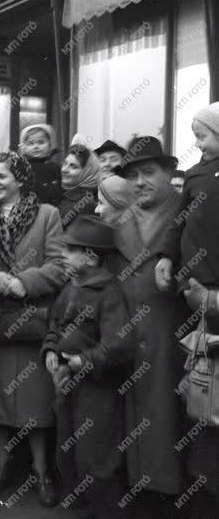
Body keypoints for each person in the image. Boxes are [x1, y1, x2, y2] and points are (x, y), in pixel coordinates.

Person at [106, 136, 187, 518]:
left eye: (149, 172)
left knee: (172, 414)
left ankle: (170, 491)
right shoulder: (118, 221)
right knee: (132, 413)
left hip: (175, 338)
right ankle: (139, 486)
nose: (139, 182)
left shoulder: (188, 214)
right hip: (126, 339)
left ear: (170, 173)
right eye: (133, 175)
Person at [0, 151, 65, 508]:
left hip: (33, 322)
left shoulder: (48, 215)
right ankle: (0, 467)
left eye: (2, 176)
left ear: (20, 179)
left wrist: (23, 283)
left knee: (37, 404)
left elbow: (60, 265)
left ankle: (42, 471)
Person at [42, 215, 134, 519]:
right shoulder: (71, 288)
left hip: (97, 392)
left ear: (91, 256)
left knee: (97, 458)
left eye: (70, 250)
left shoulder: (109, 294)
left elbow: (119, 344)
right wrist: (51, 350)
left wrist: (84, 361)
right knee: (67, 453)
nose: (63, 256)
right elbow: (54, 325)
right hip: (66, 386)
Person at [155, 103, 219, 518]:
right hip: (195, 295)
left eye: (205, 135)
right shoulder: (196, 176)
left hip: (212, 296)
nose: (198, 144)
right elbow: (178, 223)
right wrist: (165, 256)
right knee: (200, 392)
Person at [18, 123, 63, 205]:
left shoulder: (56, 167)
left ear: (50, 145)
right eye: (30, 143)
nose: (36, 146)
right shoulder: (21, 167)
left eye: (41, 142)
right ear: (23, 147)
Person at [58, 144, 101, 229]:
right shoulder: (66, 194)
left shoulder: (85, 204)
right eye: (65, 163)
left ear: (88, 172)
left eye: (73, 166)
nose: (64, 170)